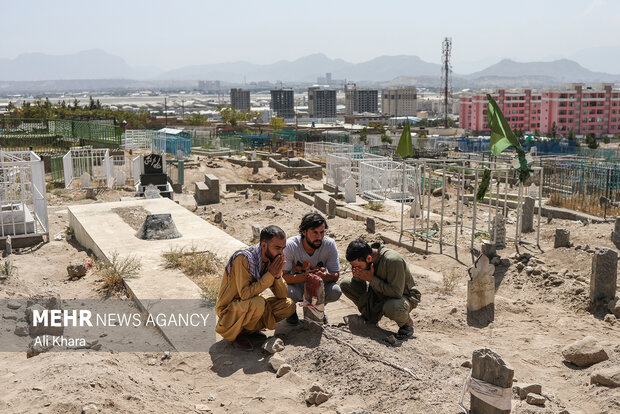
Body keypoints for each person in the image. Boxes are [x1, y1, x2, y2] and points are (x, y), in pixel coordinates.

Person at [215, 225, 295, 350]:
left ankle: (250, 331)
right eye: (277, 248)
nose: (281, 253)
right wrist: (270, 275)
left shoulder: (271, 259)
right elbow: (245, 294)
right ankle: (238, 333)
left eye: (283, 248)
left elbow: (282, 295)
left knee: (288, 305)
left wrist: (277, 276)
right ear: (264, 245)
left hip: (250, 306)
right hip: (230, 311)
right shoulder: (244, 258)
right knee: (258, 303)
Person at [341, 239, 421, 339]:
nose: (355, 269)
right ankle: (369, 316)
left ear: (369, 259)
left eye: (357, 266)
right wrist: (358, 276)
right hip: (378, 293)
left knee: (392, 307)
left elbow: (397, 293)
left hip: (402, 297)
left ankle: (406, 323)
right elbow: (359, 286)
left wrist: (370, 279)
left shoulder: (393, 260)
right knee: (345, 284)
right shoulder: (363, 253)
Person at [283, 212, 341, 325]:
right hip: (298, 285)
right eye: (314, 232)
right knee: (285, 290)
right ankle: (290, 311)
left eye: (322, 232)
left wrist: (325, 276)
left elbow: (336, 275)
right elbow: (283, 277)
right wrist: (305, 277)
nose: (319, 237)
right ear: (304, 232)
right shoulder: (290, 246)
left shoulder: (329, 245)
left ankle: (319, 309)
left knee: (335, 291)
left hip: (319, 285)